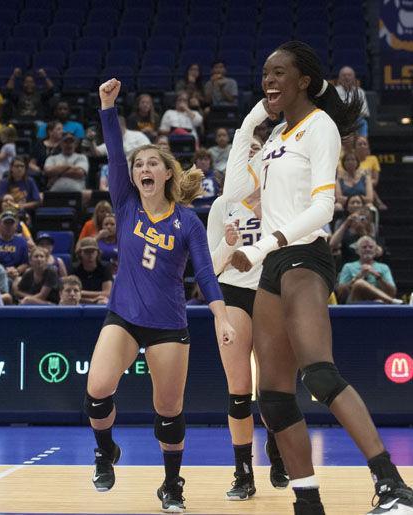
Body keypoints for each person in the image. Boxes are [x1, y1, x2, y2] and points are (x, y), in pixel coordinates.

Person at [222, 40, 412, 514]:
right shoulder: (274, 139)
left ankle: (391, 485)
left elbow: (324, 208)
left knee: (320, 375)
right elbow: (236, 193)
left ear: (303, 80)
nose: (268, 80)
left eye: (279, 73)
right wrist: (251, 123)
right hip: (271, 268)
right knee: (274, 396)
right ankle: (308, 502)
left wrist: (263, 246)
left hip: (304, 256)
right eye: (264, 73)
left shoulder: (320, 127)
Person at [86, 79, 234, 513]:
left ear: (167, 173)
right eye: (138, 165)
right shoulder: (125, 203)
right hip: (124, 317)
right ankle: (104, 451)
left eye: (153, 163)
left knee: (168, 410)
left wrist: (222, 317)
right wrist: (107, 107)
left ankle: (172, 485)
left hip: (169, 324)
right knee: (97, 389)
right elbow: (115, 151)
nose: (143, 169)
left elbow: (206, 274)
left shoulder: (187, 222)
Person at [207, 189, 290, 500]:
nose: (253, 155)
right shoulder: (223, 204)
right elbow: (211, 267)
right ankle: (243, 472)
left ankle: (277, 448)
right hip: (232, 293)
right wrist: (229, 244)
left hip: (271, 292)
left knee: (272, 388)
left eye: (259, 149)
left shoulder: (282, 197)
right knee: (239, 389)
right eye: (249, 149)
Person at [336, 235, 401, 304]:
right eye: (364, 247)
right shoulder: (348, 267)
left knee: (378, 301)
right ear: (357, 251)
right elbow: (340, 293)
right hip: (355, 302)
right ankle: (391, 301)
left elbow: (392, 292)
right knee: (359, 283)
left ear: (375, 250)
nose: (367, 249)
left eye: (371, 247)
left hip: (379, 301)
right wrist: (356, 278)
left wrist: (378, 276)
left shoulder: (383, 267)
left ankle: (384, 301)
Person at [0, 211, 29, 280]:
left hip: (16, 276)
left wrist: (16, 271)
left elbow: (25, 263)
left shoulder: (22, 242)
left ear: (16, 226)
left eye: (11, 223)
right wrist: (3, 272)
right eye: (6, 223)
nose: (9, 226)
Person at [73, 237, 113, 305]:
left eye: (93, 251)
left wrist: (81, 292)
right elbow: (72, 292)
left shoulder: (105, 267)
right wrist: (91, 300)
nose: (90, 255)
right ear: (80, 253)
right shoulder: (74, 268)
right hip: (80, 300)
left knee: (103, 302)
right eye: (86, 252)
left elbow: (107, 293)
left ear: (97, 253)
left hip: (100, 300)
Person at [335, 66, 370, 137]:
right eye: (344, 75)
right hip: (339, 120)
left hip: (356, 119)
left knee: (363, 122)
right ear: (339, 78)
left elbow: (365, 112)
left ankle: (362, 142)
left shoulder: (360, 92)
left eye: (349, 75)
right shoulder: (334, 91)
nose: (346, 77)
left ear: (354, 78)